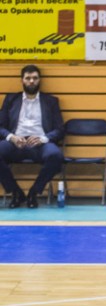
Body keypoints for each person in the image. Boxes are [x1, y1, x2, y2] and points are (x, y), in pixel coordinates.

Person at [0, 65, 64, 209]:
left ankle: (34, 193)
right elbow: (1, 127)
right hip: (15, 143)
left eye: (35, 78)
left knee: (56, 156)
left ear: (39, 80)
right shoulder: (11, 99)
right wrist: (12, 137)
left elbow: (60, 129)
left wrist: (43, 138)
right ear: (22, 80)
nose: (31, 81)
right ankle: (16, 193)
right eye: (28, 78)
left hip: (40, 144)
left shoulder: (51, 101)